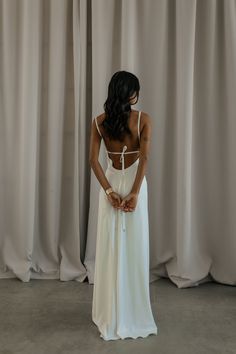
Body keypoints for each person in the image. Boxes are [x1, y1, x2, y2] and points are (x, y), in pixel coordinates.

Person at [89, 70, 158, 340]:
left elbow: (94, 161)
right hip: (134, 185)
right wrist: (135, 193)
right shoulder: (143, 119)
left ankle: (110, 313)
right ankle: (133, 312)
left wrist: (108, 190)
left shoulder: (98, 122)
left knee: (109, 249)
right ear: (132, 94)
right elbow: (144, 158)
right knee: (135, 248)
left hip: (111, 184)